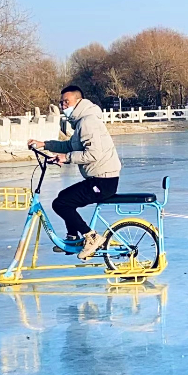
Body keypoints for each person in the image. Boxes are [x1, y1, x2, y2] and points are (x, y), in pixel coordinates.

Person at [28, 85, 122, 260]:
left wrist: (67, 158)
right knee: (64, 197)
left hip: (103, 181)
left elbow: (94, 154)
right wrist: (45, 144)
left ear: (78, 102)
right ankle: (73, 239)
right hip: (98, 179)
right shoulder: (81, 122)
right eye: (61, 102)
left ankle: (91, 237)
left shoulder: (88, 122)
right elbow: (69, 146)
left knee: (61, 204)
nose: (63, 106)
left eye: (66, 102)